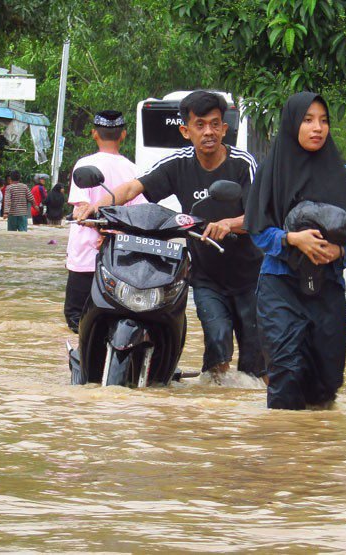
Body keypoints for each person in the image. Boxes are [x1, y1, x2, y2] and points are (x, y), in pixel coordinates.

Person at [73, 91, 264, 381]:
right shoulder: (178, 164)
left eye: (215, 124)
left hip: (250, 276)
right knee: (217, 341)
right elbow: (133, 188)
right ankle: (216, 403)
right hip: (205, 276)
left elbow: (260, 215)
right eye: (200, 125)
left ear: (225, 129)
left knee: (257, 359)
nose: (209, 132)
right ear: (185, 130)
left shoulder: (242, 163)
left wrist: (228, 223)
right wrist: (97, 207)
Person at [245, 92, 346, 410]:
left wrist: (339, 253)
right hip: (280, 286)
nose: (318, 128)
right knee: (285, 373)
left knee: (326, 384)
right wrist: (292, 240)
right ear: (292, 124)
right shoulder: (271, 172)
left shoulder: (336, 175)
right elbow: (258, 229)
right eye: (308, 120)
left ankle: (315, 453)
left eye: (324, 121)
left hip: (327, 288)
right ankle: (284, 452)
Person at [64, 110, 146, 332]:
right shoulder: (135, 171)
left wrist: (101, 234)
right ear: (123, 135)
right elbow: (138, 216)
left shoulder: (84, 165)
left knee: (76, 316)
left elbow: (81, 209)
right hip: (121, 256)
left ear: (94, 134)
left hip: (86, 256)